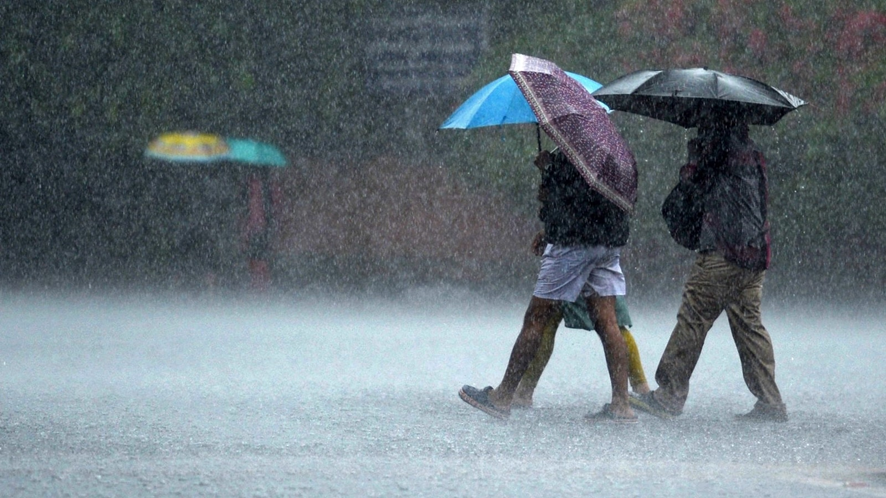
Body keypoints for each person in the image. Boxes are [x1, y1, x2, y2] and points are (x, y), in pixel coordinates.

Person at [630, 113, 788, 422]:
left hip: (724, 251)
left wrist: (694, 159)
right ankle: (770, 401)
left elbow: (689, 190)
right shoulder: (752, 152)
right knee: (749, 325)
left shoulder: (716, 152)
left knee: (693, 316)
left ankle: (668, 395)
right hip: (755, 252)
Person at [459, 148, 636, 422]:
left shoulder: (571, 154)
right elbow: (604, 200)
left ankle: (503, 395)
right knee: (608, 322)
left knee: (536, 317)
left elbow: (565, 200)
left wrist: (549, 172)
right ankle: (621, 405)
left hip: (573, 244)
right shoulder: (615, 153)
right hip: (609, 242)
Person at [511, 295, 650, 409]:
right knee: (612, 321)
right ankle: (639, 389)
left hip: (572, 267)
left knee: (548, 315)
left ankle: (524, 392)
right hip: (597, 265)